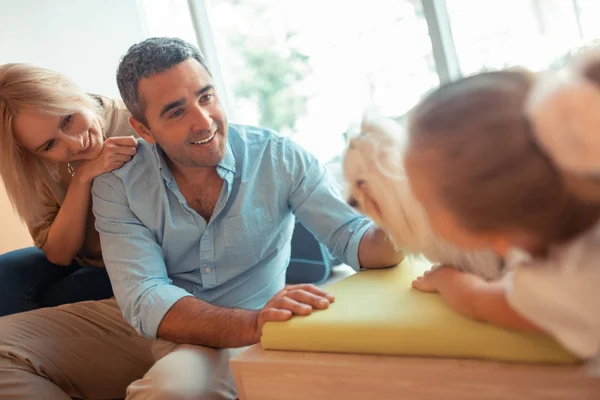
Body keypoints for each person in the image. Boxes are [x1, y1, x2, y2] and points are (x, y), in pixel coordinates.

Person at [0, 37, 402, 400]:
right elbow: (143, 295)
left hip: (228, 318)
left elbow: (354, 238)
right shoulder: (116, 182)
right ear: (143, 128)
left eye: (206, 97)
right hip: (145, 310)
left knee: (176, 387)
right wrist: (253, 324)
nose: (204, 121)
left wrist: (405, 214)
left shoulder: (277, 156)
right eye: (176, 112)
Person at [403, 50, 600, 360]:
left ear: (490, 226)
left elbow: (476, 300)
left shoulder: (559, 285)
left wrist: (443, 278)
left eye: (425, 203)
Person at [0, 63, 138, 316]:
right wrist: (82, 177)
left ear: (74, 95)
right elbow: (59, 254)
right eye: (49, 145)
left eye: (68, 120)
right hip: (85, 257)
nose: (75, 144)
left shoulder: (135, 120)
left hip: (137, 260)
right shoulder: (32, 166)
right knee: (4, 276)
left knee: (62, 297)